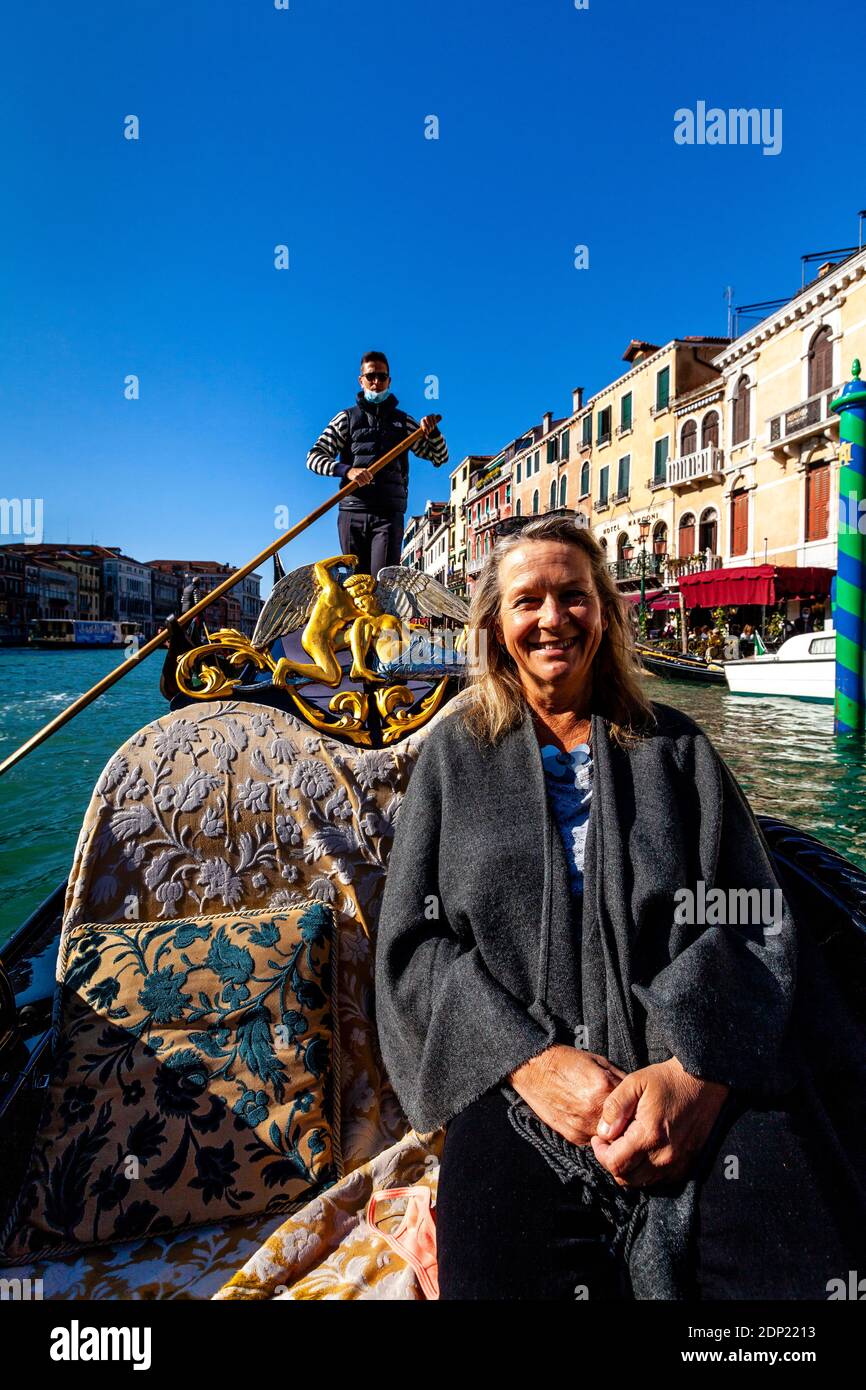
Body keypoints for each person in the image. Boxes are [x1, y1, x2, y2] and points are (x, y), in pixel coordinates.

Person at [375, 512, 865, 1301]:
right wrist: (528, 1062)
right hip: (515, 1092)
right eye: (527, 600)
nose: (552, 618)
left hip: (694, 1070)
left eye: (574, 595)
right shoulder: (452, 759)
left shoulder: (675, 746)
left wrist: (696, 1074)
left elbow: (751, 912)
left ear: (604, 609)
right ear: (497, 626)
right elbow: (414, 943)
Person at [306, 351, 448, 578]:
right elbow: (313, 458)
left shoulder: (404, 422)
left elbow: (439, 458)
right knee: (355, 585)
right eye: (371, 376)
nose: (376, 382)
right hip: (352, 511)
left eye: (382, 377)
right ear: (361, 380)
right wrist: (348, 471)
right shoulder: (346, 419)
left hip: (388, 514)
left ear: (389, 381)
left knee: (382, 582)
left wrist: (433, 433)